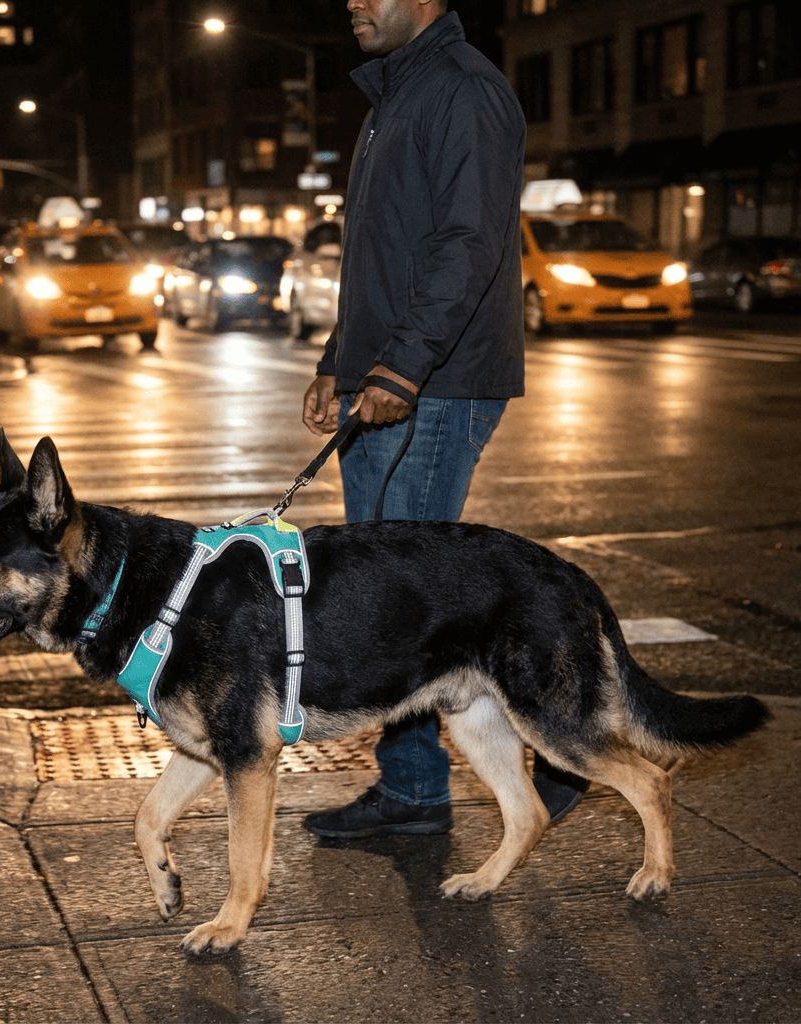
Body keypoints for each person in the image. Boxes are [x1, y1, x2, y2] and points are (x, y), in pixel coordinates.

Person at [300, 0, 588, 839]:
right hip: (388, 379)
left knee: (413, 600)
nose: (352, 1)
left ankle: (565, 754)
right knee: (387, 601)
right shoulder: (397, 96)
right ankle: (415, 789)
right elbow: (379, 260)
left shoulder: (464, 89)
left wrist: (401, 367)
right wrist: (338, 360)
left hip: (439, 382)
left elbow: (470, 244)